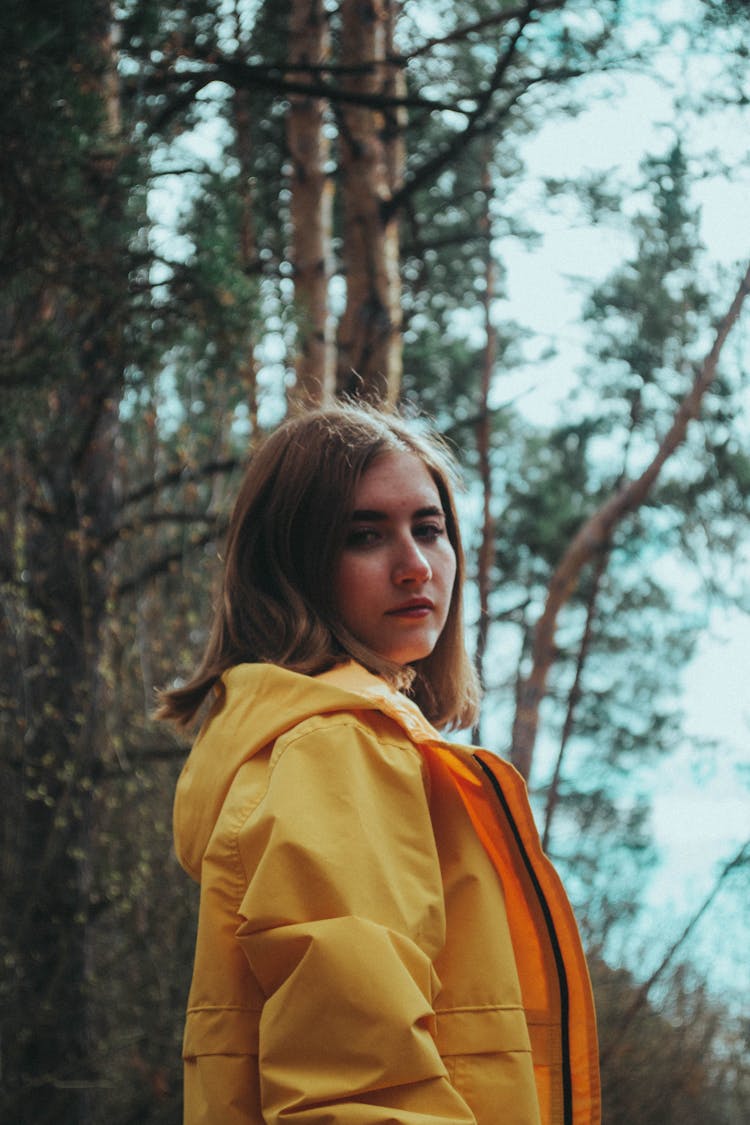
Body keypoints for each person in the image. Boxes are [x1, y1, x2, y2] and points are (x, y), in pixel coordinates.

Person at [157, 403, 600, 1125]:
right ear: (291, 563)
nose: (415, 565)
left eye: (429, 528)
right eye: (365, 536)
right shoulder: (337, 747)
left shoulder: (316, 741)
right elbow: (361, 1091)